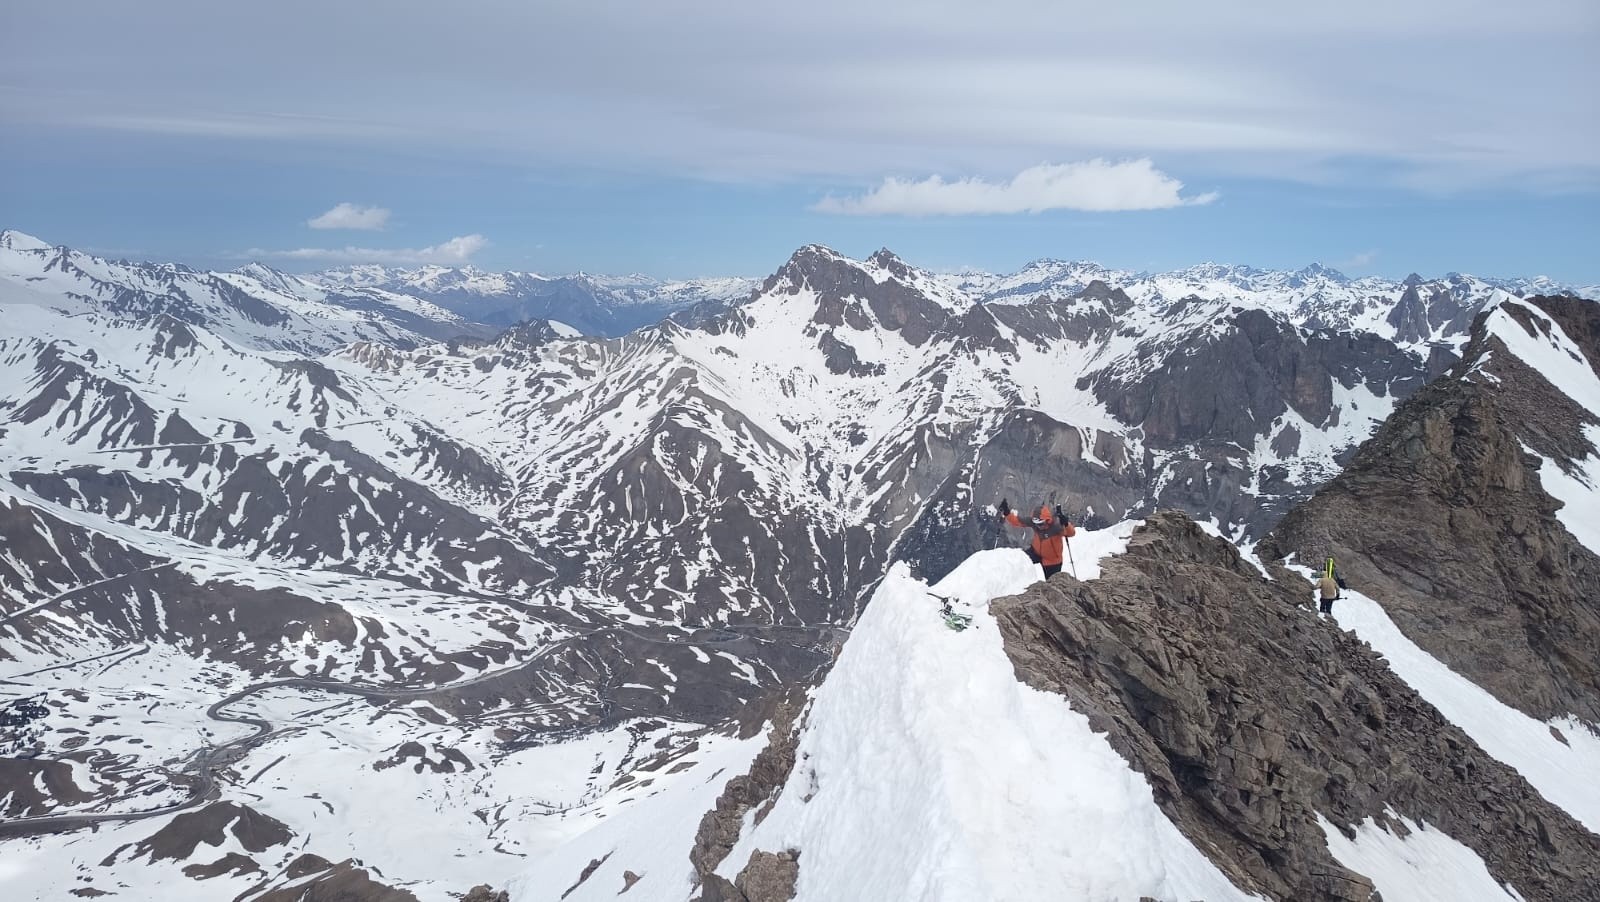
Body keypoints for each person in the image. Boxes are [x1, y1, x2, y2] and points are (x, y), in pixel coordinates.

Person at [997, 499, 1075, 577]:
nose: (1038, 526)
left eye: (1041, 524)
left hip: (1052, 561)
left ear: (1047, 520)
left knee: (1050, 585)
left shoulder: (1056, 526)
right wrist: (1006, 512)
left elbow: (1071, 533)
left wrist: (1066, 524)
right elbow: (1017, 521)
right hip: (1035, 552)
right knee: (1020, 561)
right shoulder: (1034, 522)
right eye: (1036, 524)